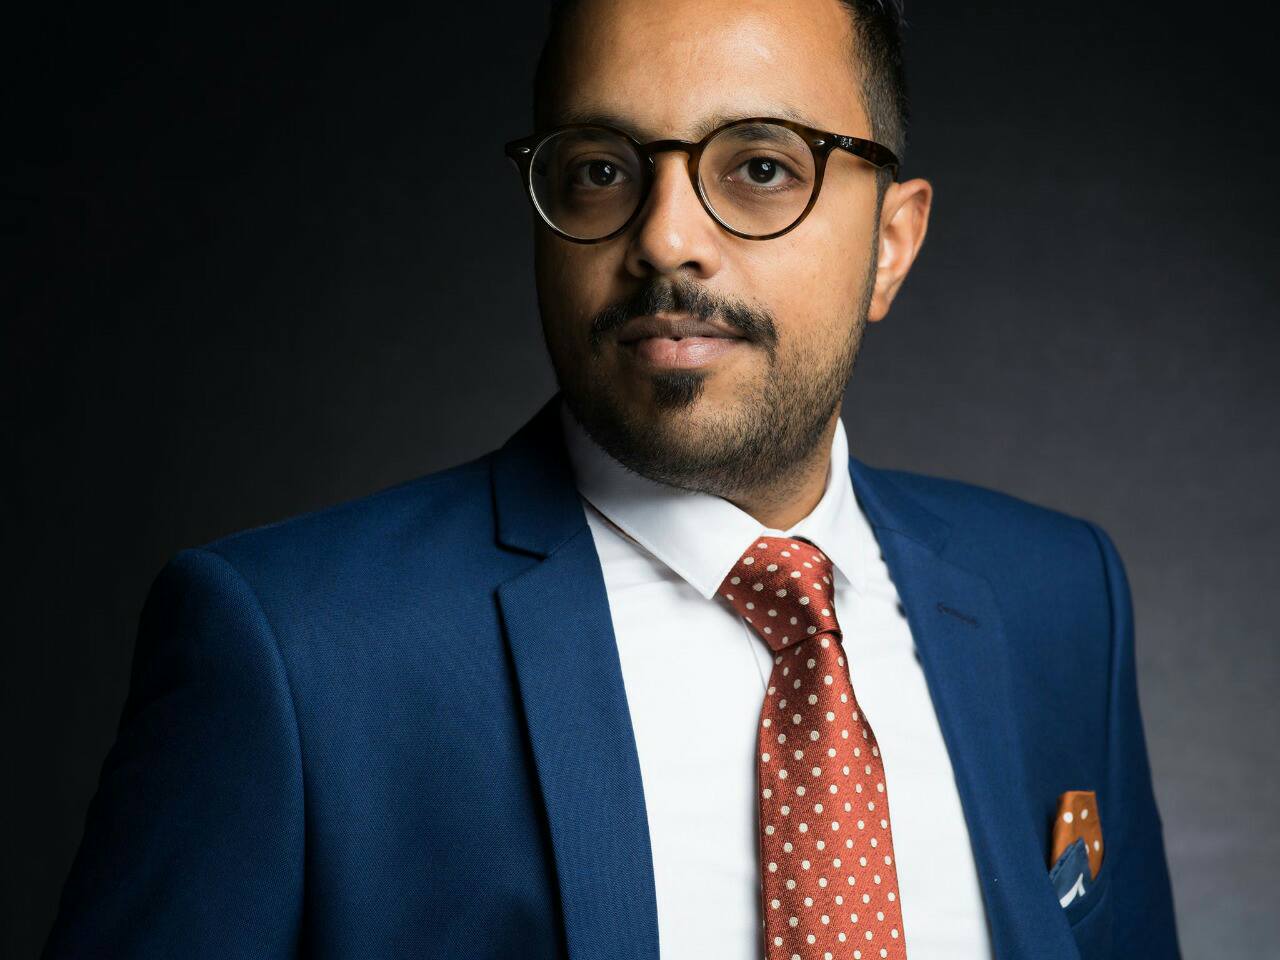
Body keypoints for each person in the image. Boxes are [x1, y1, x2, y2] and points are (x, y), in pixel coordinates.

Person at [43, 0, 1180, 957]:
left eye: (761, 166)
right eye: (599, 169)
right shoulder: (294, 650)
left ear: (891, 242)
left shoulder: (1057, 595)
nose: (666, 238)